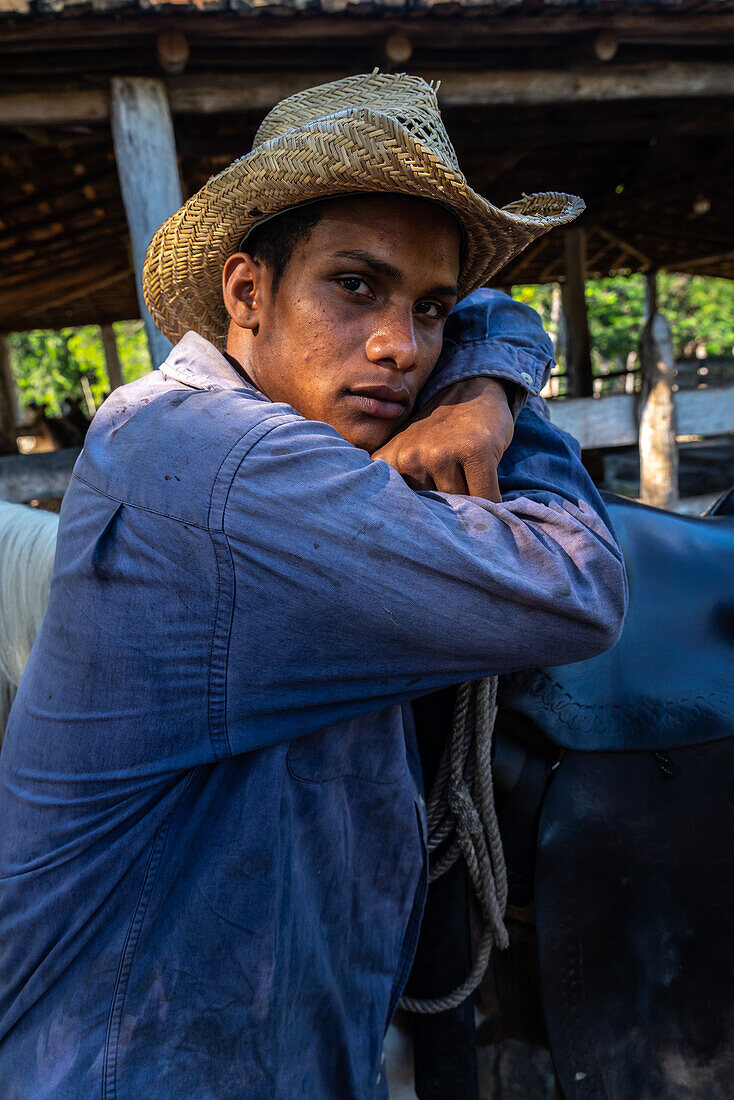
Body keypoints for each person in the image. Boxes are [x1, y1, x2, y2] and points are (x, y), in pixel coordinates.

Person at [0, 72, 627, 1098]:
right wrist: (494, 410)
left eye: (427, 310)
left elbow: (494, 312)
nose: (399, 345)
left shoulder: (219, 433)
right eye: (353, 285)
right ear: (245, 293)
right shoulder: (222, 463)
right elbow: (576, 583)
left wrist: (481, 376)